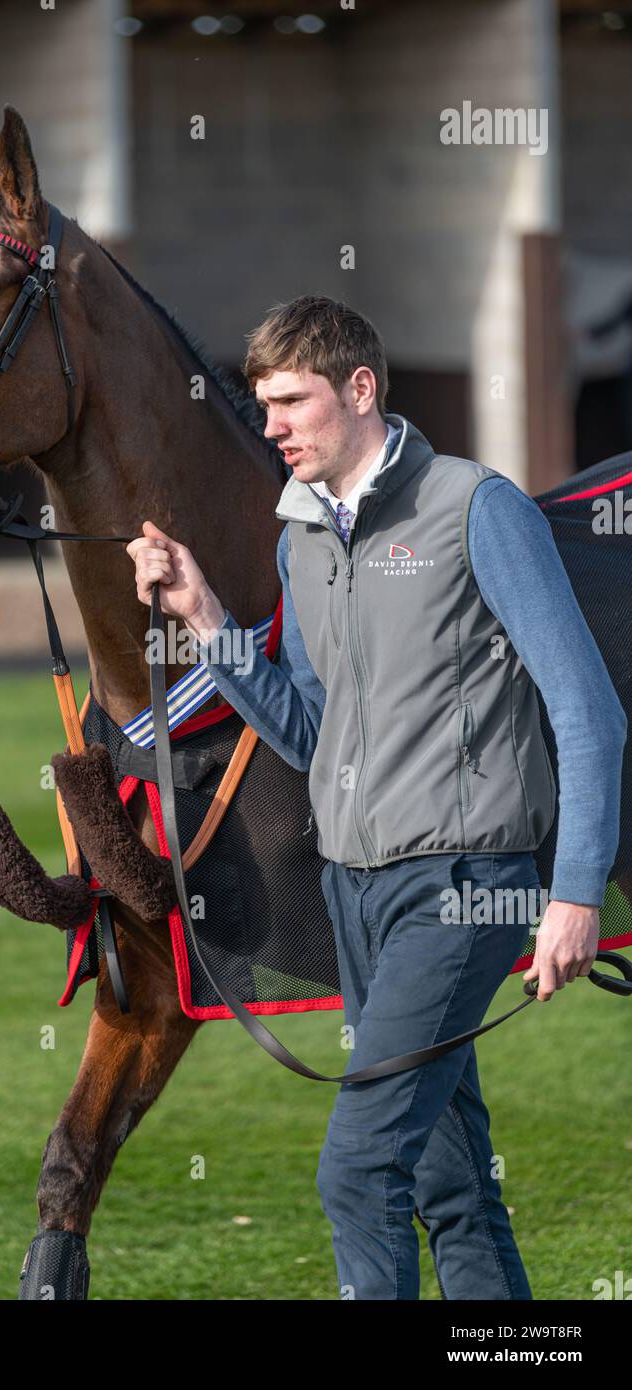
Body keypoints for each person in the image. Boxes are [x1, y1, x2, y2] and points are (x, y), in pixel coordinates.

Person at [125, 296, 626, 1300]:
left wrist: (573, 893)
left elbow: (586, 709)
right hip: (356, 898)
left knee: (356, 1169)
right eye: (260, 404)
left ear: (358, 390)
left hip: (463, 891)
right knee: (448, 1185)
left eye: (287, 402)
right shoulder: (300, 541)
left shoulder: (475, 507)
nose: (268, 427)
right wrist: (206, 614)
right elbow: (314, 734)